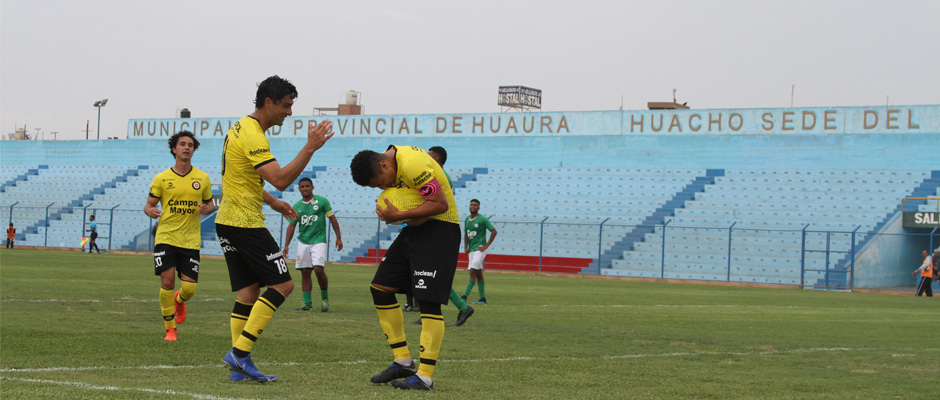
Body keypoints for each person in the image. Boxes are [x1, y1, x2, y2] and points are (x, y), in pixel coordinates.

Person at [216, 75, 334, 382]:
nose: (289, 112)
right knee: (283, 285)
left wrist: (272, 203)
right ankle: (240, 355)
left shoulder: (239, 127)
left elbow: (240, 177)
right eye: (286, 105)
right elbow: (280, 179)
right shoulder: (254, 134)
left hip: (227, 221)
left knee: (248, 291)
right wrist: (310, 147)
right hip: (244, 223)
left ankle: (238, 370)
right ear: (268, 102)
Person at [350, 145, 460, 391]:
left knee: (428, 301)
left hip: (440, 229)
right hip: (414, 228)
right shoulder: (392, 157)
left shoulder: (412, 164)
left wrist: (399, 215)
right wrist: (399, 214)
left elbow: (440, 203)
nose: (381, 188)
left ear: (384, 165)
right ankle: (403, 362)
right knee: (380, 288)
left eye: (379, 183)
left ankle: (425, 377)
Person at [144, 130, 214, 341]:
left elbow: (210, 202)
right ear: (174, 149)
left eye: (190, 145)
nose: (186, 147)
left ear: (193, 150)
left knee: (189, 289)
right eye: (182, 144)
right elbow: (149, 204)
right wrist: (150, 210)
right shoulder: (162, 178)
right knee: (167, 282)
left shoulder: (202, 178)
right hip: (166, 236)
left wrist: (207, 208)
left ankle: (180, 299)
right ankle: (170, 329)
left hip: (190, 239)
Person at [422, 146, 473, 326]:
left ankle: (462, 307)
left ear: (436, 158)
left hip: (438, 229)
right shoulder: (434, 177)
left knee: (433, 274)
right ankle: (429, 312)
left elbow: (433, 203)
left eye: (428, 156)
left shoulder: (442, 179)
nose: (425, 159)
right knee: (426, 272)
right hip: (431, 229)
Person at [282, 177, 343, 312]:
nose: (305, 189)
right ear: (299, 189)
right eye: (302, 186)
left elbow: (332, 219)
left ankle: (324, 298)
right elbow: (291, 226)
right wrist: (286, 245)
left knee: (318, 269)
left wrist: (338, 238)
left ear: (312, 187)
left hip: (318, 241)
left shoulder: (322, 201)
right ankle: (307, 304)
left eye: (307, 186)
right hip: (303, 242)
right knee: (305, 272)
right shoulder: (297, 206)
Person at [461, 199, 497, 305]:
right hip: (471, 250)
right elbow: (466, 234)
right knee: (479, 274)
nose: (473, 206)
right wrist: (466, 247)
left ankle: (464, 297)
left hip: (479, 250)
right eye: (471, 205)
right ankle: (483, 299)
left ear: (478, 207)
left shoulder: (482, 219)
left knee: (473, 272)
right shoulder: (467, 219)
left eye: (475, 205)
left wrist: (486, 245)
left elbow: (494, 231)